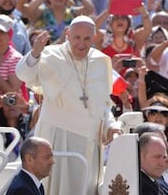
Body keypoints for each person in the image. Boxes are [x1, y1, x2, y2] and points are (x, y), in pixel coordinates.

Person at [15, 15, 117, 194]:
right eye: (77, 37)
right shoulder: (51, 54)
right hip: (57, 138)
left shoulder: (101, 61)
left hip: (90, 144)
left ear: (94, 37)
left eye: (87, 38)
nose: (81, 43)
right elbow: (25, 75)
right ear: (68, 34)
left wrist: (111, 125)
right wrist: (35, 53)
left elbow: (103, 104)